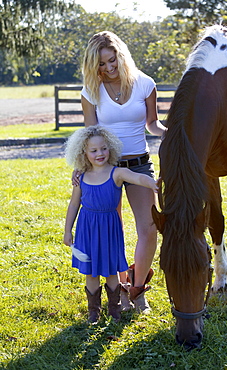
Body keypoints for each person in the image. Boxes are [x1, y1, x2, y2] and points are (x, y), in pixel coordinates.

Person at [76, 30, 166, 313]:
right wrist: (82, 169)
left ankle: (137, 289)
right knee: (112, 231)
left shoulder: (145, 84)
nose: (109, 68)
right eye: (101, 64)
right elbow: (90, 134)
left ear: (121, 55)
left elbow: (152, 123)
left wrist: (169, 132)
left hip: (139, 164)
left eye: (112, 60)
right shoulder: (91, 91)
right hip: (105, 169)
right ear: (94, 66)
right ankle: (121, 288)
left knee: (149, 228)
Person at [64, 126, 159, 323]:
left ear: (111, 149)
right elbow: (74, 204)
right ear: (84, 153)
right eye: (94, 150)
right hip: (88, 229)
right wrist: (67, 231)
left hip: (109, 229)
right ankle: (93, 312)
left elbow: (138, 177)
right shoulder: (81, 177)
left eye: (104, 148)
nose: (100, 154)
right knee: (90, 272)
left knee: (110, 270)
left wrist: (152, 183)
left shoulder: (117, 173)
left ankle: (114, 310)